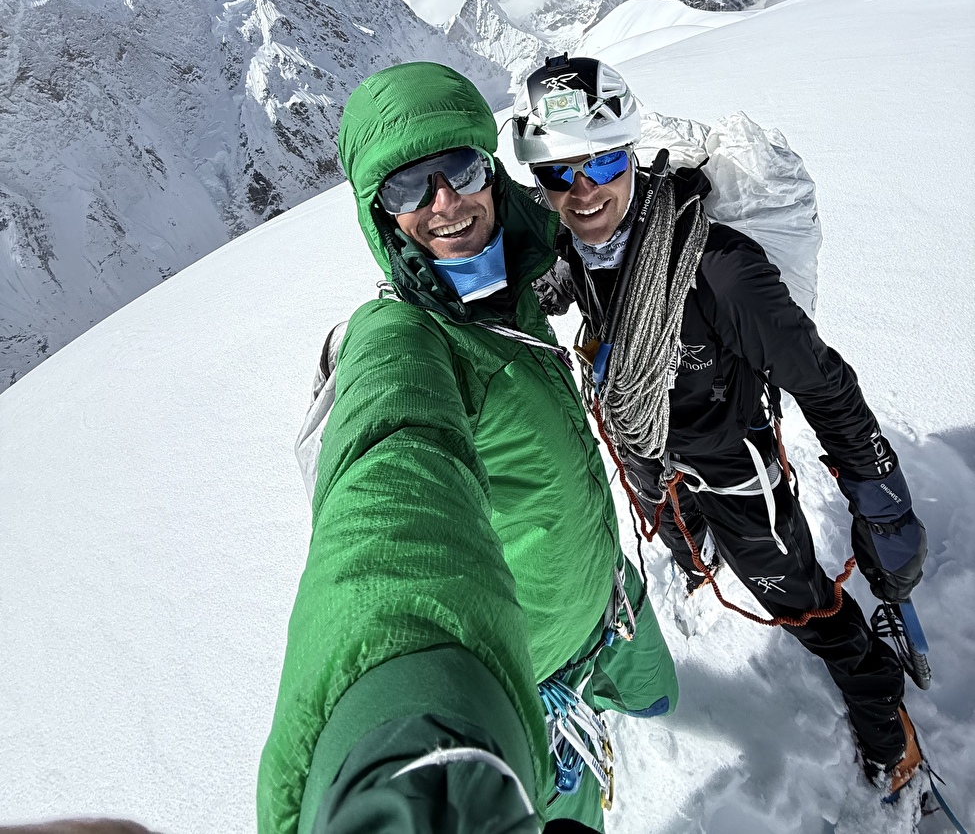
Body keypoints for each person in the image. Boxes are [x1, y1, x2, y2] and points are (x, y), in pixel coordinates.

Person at [258, 61, 678, 834]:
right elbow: (388, 487)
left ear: (491, 174)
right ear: (379, 216)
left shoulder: (511, 278)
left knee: (660, 698)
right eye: (406, 188)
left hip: (606, 597)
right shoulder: (404, 339)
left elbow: (595, 223)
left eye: (457, 168)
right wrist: (396, 732)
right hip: (526, 671)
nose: (442, 202)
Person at [512, 53, 928, 801]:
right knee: (676, 529)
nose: (582, 191)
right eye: (557, 174)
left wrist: (877, 491)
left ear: (631, 149)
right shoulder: (580, 254)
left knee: (799, 599)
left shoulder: (719, 272)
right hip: (650, 456)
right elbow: (547, 284)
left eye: (603, 160)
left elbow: (822, 383)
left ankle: (882, 715)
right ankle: (696, 554)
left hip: (733, 471)